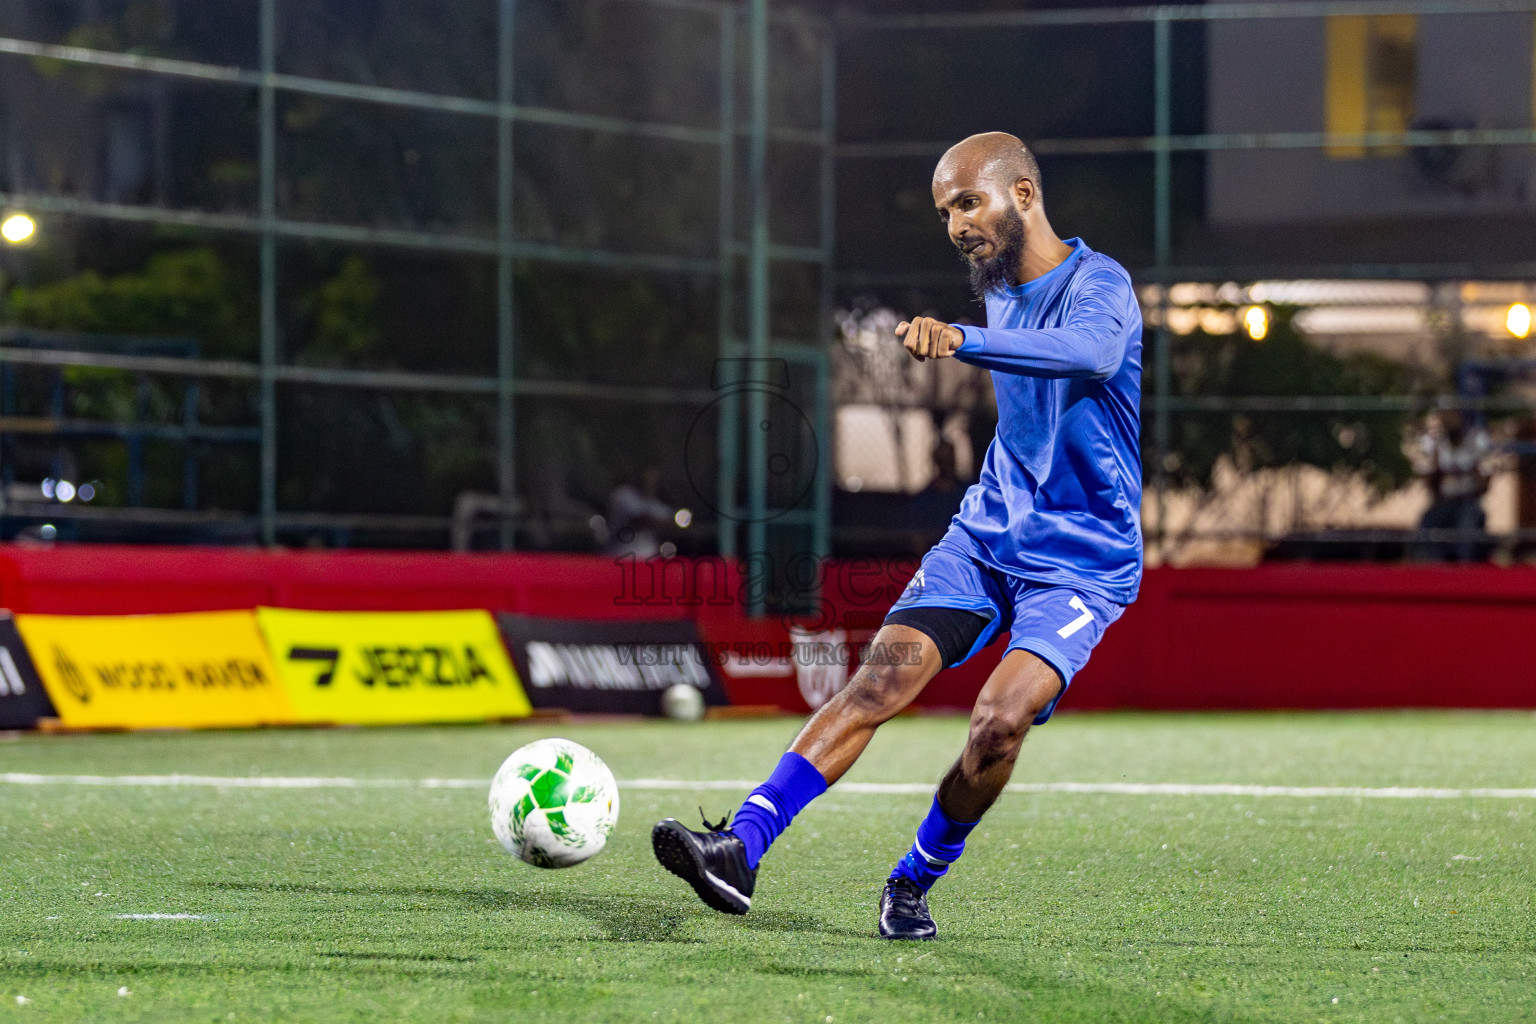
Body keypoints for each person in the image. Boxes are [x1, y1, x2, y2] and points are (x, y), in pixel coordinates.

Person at [651, 132, 1143, 939]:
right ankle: (740, 847)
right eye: (945, 210)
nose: (954, 224)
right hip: (983, 541)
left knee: (997, 724)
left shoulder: (1101, 283)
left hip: (1082, 565)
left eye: (969, 202)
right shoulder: (1002, 289)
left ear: (1023, 194)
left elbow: (1087, 354)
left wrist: (961, 338)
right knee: (877, 683)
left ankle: (912, 881)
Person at [1415, 409, 1492, 562]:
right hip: (1443, 501)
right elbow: (1430, 480)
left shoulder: (1475, 442)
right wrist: (1439, 471)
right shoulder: (1438, 444)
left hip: (1467, 501)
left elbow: (1485, 481)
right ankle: (1429, 571)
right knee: (1426, 528)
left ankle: (1465, 569)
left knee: (1467, 529)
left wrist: (1470, 472)